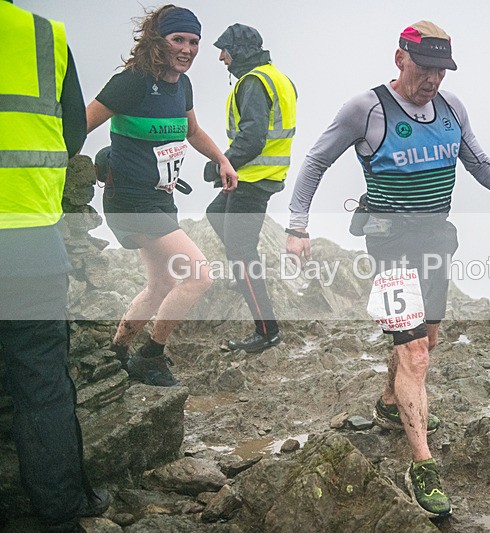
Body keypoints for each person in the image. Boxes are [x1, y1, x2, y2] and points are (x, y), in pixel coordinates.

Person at [285, 21, 490, 517]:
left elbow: (478, 161)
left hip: (434, 240)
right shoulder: (367, 109)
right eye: (425, 68)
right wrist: (298, 227)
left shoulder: (451, 108)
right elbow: (315, 162)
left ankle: (389, 402)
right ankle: (422, 465)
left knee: (429, 340)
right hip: (389, 243)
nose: (433, 80)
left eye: (441, 71)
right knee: (416, 356)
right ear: (400, 58)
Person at [0, 1, 111, 530]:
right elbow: (70, 134)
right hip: (31, 241)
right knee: (42, 383)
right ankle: (61, 514)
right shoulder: (44, 35)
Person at [86, 5, 238, 386]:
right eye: (178, 40)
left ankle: (118, 352)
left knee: (161, 286)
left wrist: (222, 159)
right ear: (159, 40)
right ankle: (151, 356)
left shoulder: (182, 86)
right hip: (130, 202)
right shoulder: (131, 82)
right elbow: (79, 125)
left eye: (194, 42)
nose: (187, 49)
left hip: (160, 201)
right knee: (200, 276)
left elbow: (193, 131)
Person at [206, 23, 297, 352]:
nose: (221, 57)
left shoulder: (254, 82)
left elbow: (253, 138)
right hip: (262, 175)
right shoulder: (277, 77)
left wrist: (220, 164)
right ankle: (244, 273)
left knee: (241, 253)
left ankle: (267, 332)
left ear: (239, 51)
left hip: (253, 179)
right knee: (216, 213)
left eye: (225, 50)